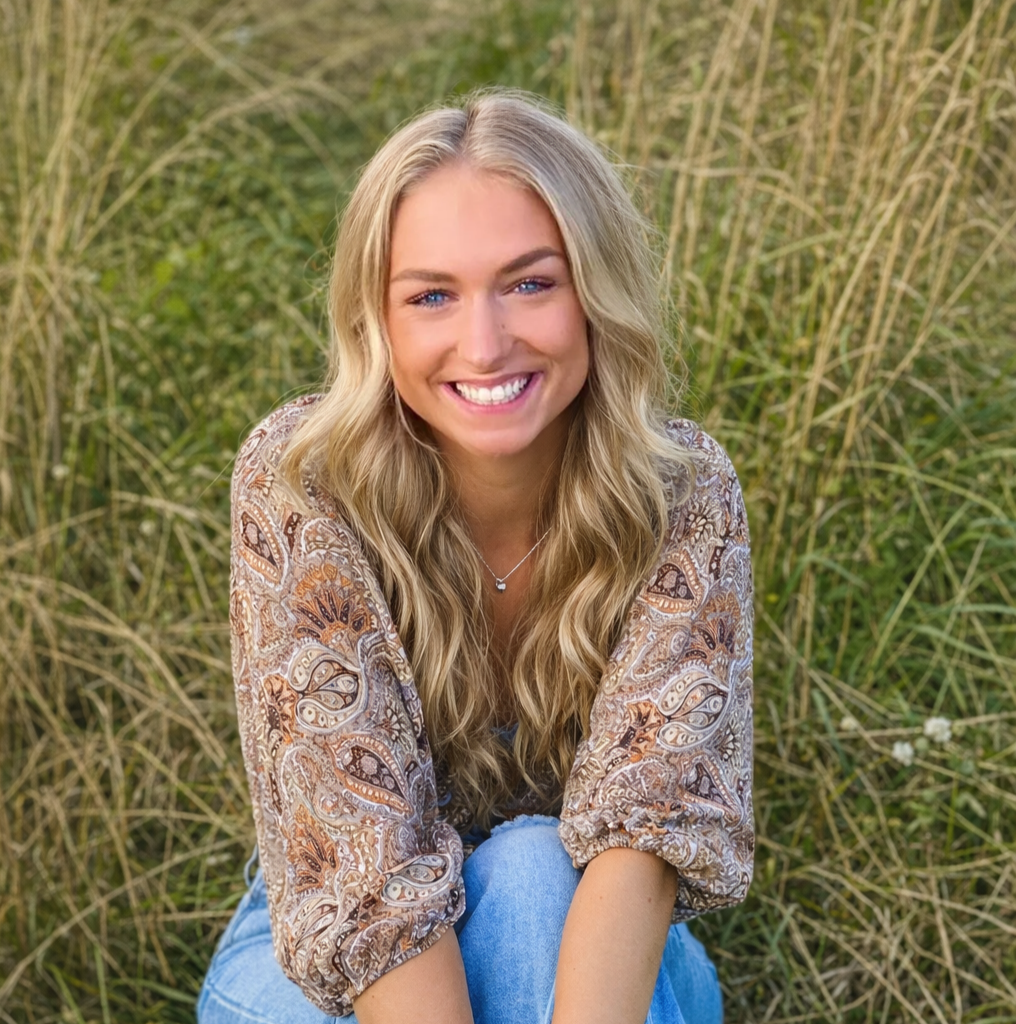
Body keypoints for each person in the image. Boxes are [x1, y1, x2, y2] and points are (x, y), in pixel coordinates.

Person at [197, 89, 754, 1024]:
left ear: (597, 289)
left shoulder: (681, 492)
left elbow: (647, 833)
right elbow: (365, 877)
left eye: (531, 284)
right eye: (431, 297)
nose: (486, 344)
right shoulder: (303, 481)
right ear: (376, 320)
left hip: (595, 936)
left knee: (535, 874)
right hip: (346, 940)